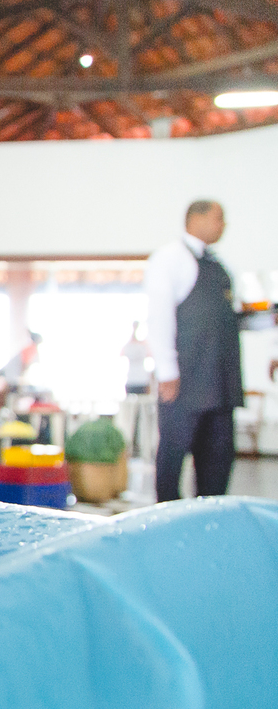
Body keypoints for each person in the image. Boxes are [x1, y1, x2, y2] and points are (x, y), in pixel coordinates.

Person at [145, 200, 243, 502]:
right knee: (173, 454)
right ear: (195, 219)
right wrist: (167, 372)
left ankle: (209, 520)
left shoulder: (220, 265)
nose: (223, 226)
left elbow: (225, 319)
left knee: (218, 459)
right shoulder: (170, 259)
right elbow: (159, 316)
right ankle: (165, 520)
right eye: (219, 219)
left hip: (220, 382)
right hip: (186, 380)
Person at [120, 321, 152, 458]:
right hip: (134, 381)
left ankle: (141, 445)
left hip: (140, 382)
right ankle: (131, 445)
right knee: (131, 415)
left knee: (142, 415)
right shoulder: (135, 345)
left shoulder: (141, 345)